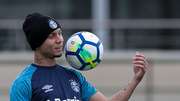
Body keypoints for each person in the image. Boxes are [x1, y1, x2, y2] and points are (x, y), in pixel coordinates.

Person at [10, 12, 148, 101]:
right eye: (52, 36)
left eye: (60, 33)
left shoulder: (74, 76)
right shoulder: (24, 82)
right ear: (37, 41)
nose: (60, 40)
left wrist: (135, 80)